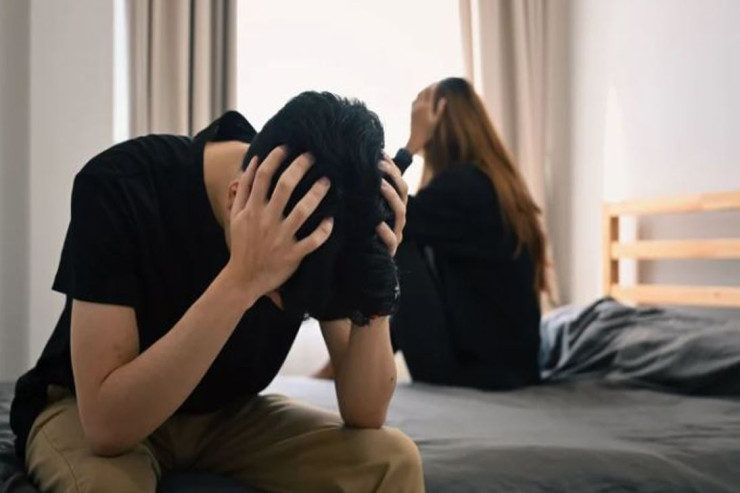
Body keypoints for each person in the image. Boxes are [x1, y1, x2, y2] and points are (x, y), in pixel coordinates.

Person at [10, 92, 424, 493]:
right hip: (93, 406)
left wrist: (375, 271)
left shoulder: (324, 211)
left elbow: (365, 411)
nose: (280, 306)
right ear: (235, 199)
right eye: (275, 291)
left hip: (225, 414)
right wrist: (242, 280)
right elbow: (106, 426)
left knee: (393, 460)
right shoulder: (119, 184)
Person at [316, 77, 547, 390]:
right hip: (508, 370)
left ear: (440, 118)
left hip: (482, 374)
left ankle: (343, 363)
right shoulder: (489, 184)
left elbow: (376, 205)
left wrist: (411, 145)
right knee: (401, 235)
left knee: (395, 233)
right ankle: (346, 363)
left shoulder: (467, 186)